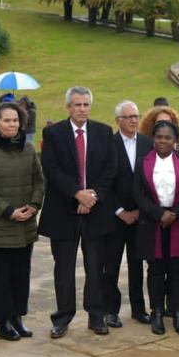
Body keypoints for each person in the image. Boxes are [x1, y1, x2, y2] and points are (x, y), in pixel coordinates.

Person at [39, 87, 118, 338]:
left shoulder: (104, 132)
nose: (82, 109)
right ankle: (62, 317)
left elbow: (110, 169)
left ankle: (96, 316)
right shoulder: (53, 133)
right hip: (63, 211)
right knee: (64, 268)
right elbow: (51, 169)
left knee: (96, 267)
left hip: (95, 212)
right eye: (76, 105)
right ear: (68, 107)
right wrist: (77, 194)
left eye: (85, 104)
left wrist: (92, 196)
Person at [0, 101, 44, 341]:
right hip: (0, 225)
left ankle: (17, 317)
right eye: (6, 120)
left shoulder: (27, 148)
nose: (12, 124)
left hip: (25, 223)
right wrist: (7, 211)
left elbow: (39, 180)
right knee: (1, 276)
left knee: (21, 273)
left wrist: (34, 206)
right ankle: (3, 321)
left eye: (15, 120)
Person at [134, 121, 179, 334]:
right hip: (153, 222)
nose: (163, 141)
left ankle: (177, 312)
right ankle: (156, 312)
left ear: (175, 141)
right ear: (153, 138)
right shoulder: (142, 162)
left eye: (168, 138)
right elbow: (138, 194)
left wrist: (175, 213)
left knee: (178, 270)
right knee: (155, 270)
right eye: (159, 137)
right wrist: (159, 213)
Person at [108, 101, 153, 324]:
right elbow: (104, 182)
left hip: (140, 216)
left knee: (137, 265)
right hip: (115, 217)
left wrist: (138, 210)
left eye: (136, 116)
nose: (134, 120)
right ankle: (111, 310)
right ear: (118, 121)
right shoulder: (109, 144)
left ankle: (138, 309)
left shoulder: (147, 143)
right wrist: (120, 211)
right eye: (129, 117)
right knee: (112, 266)